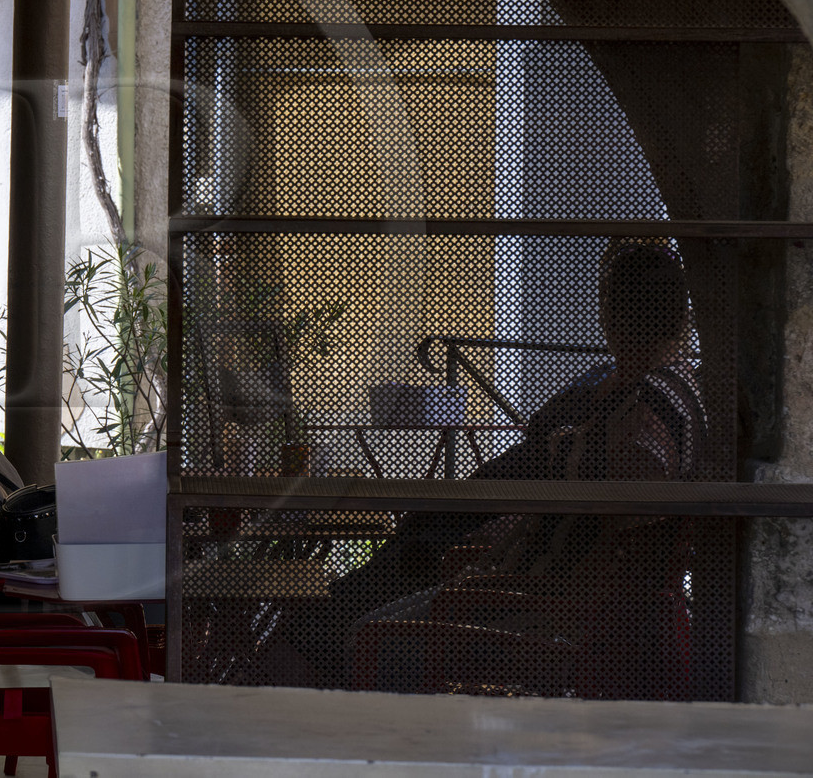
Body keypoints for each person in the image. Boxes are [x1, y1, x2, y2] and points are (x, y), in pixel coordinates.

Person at [280, 238, 704, 690]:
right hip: (501, 539)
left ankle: (304, 656)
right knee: (412, 545)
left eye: (606, 305)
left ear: (614, 318)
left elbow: (608, 519)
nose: (603, 320)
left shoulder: (649, 408)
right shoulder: (639, 390)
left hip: (521, 580)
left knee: (404, 566)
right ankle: (305, 645)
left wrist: (522, 512)